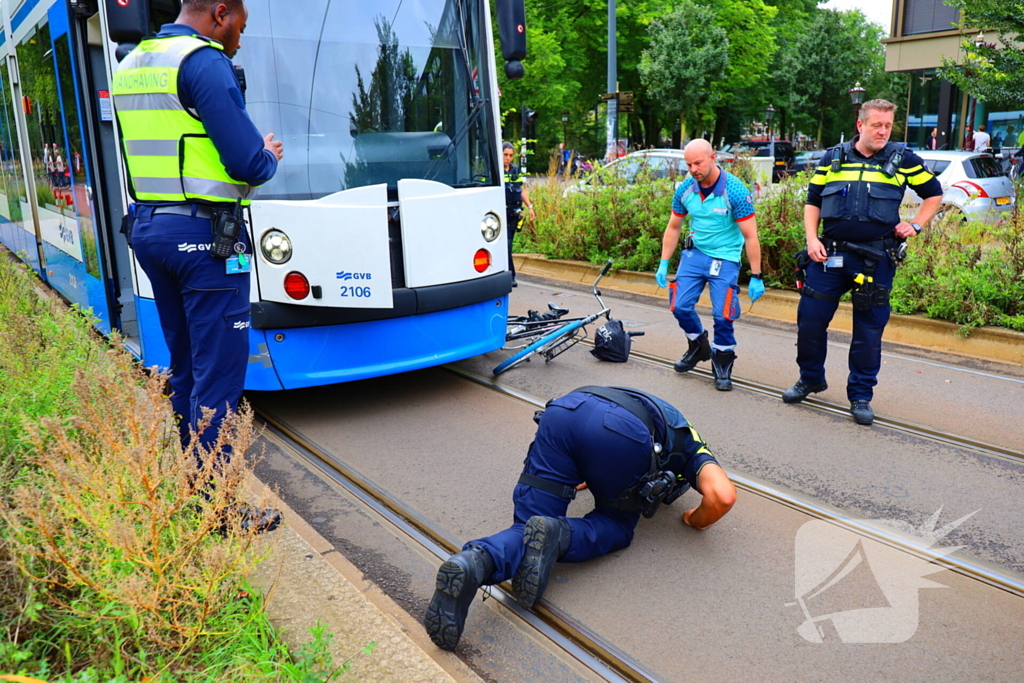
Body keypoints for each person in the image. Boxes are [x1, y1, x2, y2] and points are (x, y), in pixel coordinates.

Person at [112, 0, 284, 531]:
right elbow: (246, 161)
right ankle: (218, 510)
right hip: (206, 238)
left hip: (150, 227)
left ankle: (193, 487)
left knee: (185, 366)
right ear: (219, 13)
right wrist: (269, 154)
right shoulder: (203, 62)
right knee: (221, 375)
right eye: (239, 27)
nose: (238, 39)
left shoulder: (133, 63)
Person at [423, 386, 736, 651]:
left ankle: (475, 561)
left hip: (566, 410)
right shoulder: (690, 442)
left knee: (527, 526)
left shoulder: (654, 407)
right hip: (622, 435)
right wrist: (694, 519)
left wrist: (589, 468)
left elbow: (595, 427)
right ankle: (559, 536)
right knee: (616, 526)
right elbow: (722, 496)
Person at [783, 99, 943, 426]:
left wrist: (915, 224)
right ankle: (811, 378)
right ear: (861, 125)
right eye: (876, 126)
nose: (883, 131)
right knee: (810, 321)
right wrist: (812, 240)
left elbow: (934, 193)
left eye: (888, 126)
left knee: (868, 332)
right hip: (830, 255)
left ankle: (860, 395)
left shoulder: (904, 159)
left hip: (876, 259)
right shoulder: (833, 157)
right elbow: (813, 202)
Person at [654, 139, 764, 391]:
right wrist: (663, 263)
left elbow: (751, 236)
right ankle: (698, 345)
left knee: (723, 314)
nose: (693, 169)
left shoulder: (734, 190)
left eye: (698, 163)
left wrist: (756, 275)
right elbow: (673, 227)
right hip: (695, 254)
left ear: (713, 157)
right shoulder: (685, 189)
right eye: (689, 164)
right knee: (679, 306)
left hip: (725, 258)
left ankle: (722, 362)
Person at [503, 141, 534, 288]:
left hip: (514, 213)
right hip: (501, 212)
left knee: (509, 245)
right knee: (506, 244)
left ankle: (507, 274)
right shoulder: (495, 171)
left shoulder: (515, 171)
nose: (508, 158)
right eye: (505, 155)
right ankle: (510, 276)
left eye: (510, 155)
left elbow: (521, 190)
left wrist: (530, 207)